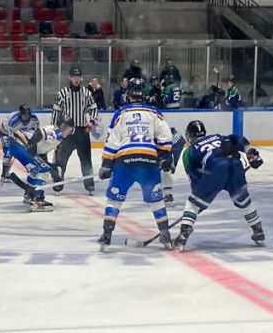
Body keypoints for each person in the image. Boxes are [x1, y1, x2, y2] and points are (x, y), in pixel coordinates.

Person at [97, 77, 173, 251]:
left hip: (126, 160)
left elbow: (112, 142)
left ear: (128, 96)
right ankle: (165, 235)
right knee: (157, 201)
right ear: (143, 96)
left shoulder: (121, 114)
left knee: (114, 200)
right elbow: (166, 137)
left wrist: (107, 165)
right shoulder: (154, 112)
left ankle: (107, 236)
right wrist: (162, 155)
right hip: (148, 160)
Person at [173, 120, 266, 252]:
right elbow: (236, 138)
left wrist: (198, 202)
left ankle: (184, 233)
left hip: (215, 170)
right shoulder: (217, 137)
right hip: (235, 165)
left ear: (189, 136)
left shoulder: (189, 151)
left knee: (192, 204)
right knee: (243, 201)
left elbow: (195, 177)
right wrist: (248, 150)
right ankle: (258, 230)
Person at [4, 120, 75, 212]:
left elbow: (41, 151)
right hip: (21, 146)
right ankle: (37, 199)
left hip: (17, 146)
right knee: (43, 171)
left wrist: (53, 170)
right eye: (70, 130)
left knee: (38, 169)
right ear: (66, 128)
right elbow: (40, 133)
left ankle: (29, 194)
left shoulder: (55, 131)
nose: (70, 133)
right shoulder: (58, 134)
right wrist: (32, 145)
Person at [51, 66, 99, 195]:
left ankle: (89, 185)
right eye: (74, 76)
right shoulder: (62, 93)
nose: (76, 79)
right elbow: (56, 112)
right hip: (67, 132)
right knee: (61, 159)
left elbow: (94, 108)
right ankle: (57, 185)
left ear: (81, 78)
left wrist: (92, 121)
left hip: (82, 131)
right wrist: (54, 129)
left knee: (86, 160)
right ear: (70, 77)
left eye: (78, 76)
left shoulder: (86, 93)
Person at [0, 104, 41, 183]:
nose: (26, 117)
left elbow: (35, 132)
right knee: (8, 152)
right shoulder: (14, 122)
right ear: (20, 115)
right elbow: (12, 138)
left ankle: (35, 168)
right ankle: (4, 174)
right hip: (5, 132)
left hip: (20, 132)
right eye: (24, 115)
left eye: (28, 115)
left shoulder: (34, 119)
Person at [160, 126, 187, 206]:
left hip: (169, 146)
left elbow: (179, 141)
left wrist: (172, 162)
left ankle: (168, 194)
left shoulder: (162, 129)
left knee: (165, 167)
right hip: (161, 145)